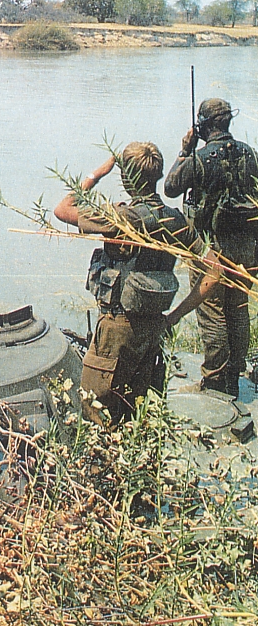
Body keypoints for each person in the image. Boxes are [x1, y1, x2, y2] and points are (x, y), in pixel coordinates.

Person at [54, 142, 219, 426]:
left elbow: (62, 208)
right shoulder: (175, 220)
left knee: (97, 415)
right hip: (152, 330)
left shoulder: (121, 219)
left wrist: (98, 173)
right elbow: (214, 271)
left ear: (126, 178)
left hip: (115, 332)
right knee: (137, 415)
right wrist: (174, 318)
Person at [164, 98, 258, 397]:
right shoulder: (250, 154)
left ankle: (215, 381)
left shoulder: (200, 158)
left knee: (212, 311)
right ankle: (234, 374)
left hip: (212, 249)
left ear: (203, 125)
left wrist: (185, 150)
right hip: (247, 246)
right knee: (238, 309)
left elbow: (170, 187)